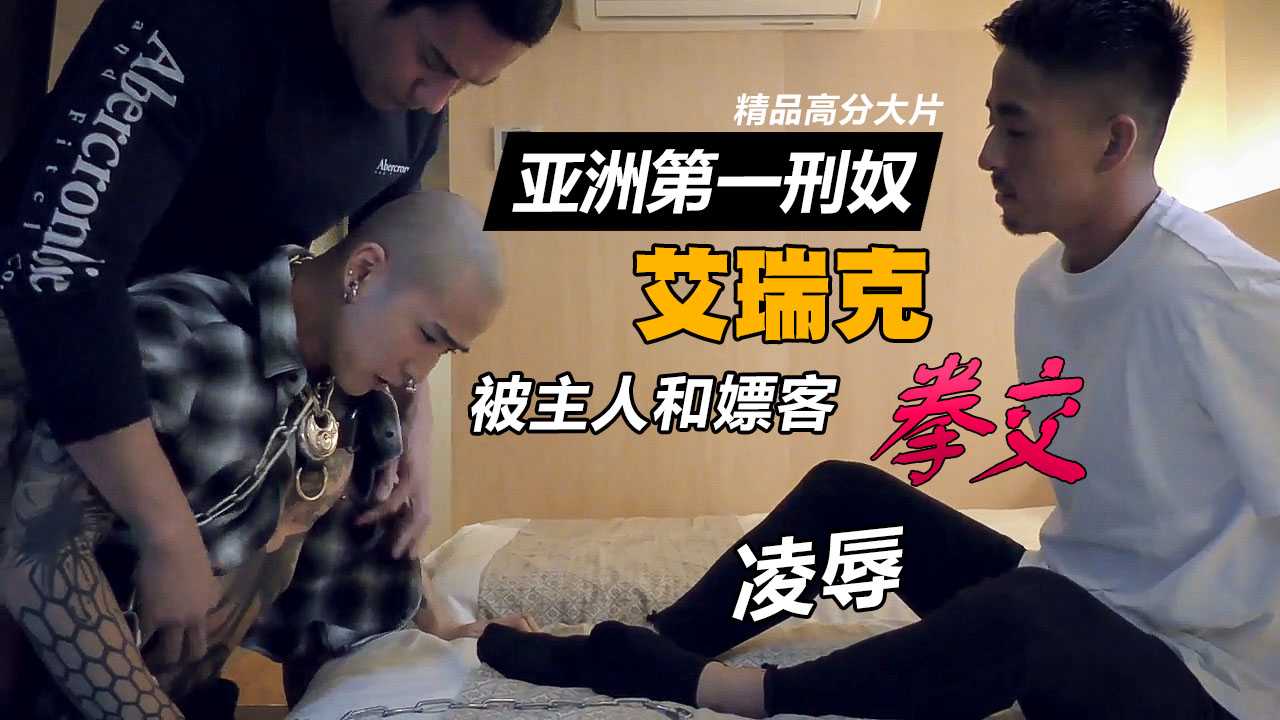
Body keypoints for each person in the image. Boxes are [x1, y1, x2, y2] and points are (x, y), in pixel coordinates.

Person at [475, 1, 1279, 718]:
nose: (987, 155)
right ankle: (654, 642)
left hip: (1200, 679)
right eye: (991, 123)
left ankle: (732, 692)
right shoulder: (1043, 288)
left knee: (1028, 611)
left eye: (1017, 128)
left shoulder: (1228, 295)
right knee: (848, 495)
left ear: (1114, 141)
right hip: (1077, 608)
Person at [0, 0, 562, 706]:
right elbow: (58, 274)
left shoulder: (414, 106)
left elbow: (403, 248)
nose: (435, 99)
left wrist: (412, 427)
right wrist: (165, 529)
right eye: (434, 61)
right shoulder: (203, 26)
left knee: (317, 474)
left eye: (467, 84)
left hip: (204, 351)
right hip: (68, 342)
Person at [1, 190, 524, 719]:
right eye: (428, 336)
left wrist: (446, 640)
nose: (419, 374)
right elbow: (37, 560)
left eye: (445, 351)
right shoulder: (180, 337)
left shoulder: (352, 390)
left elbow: (344, 601)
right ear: (363, 271)